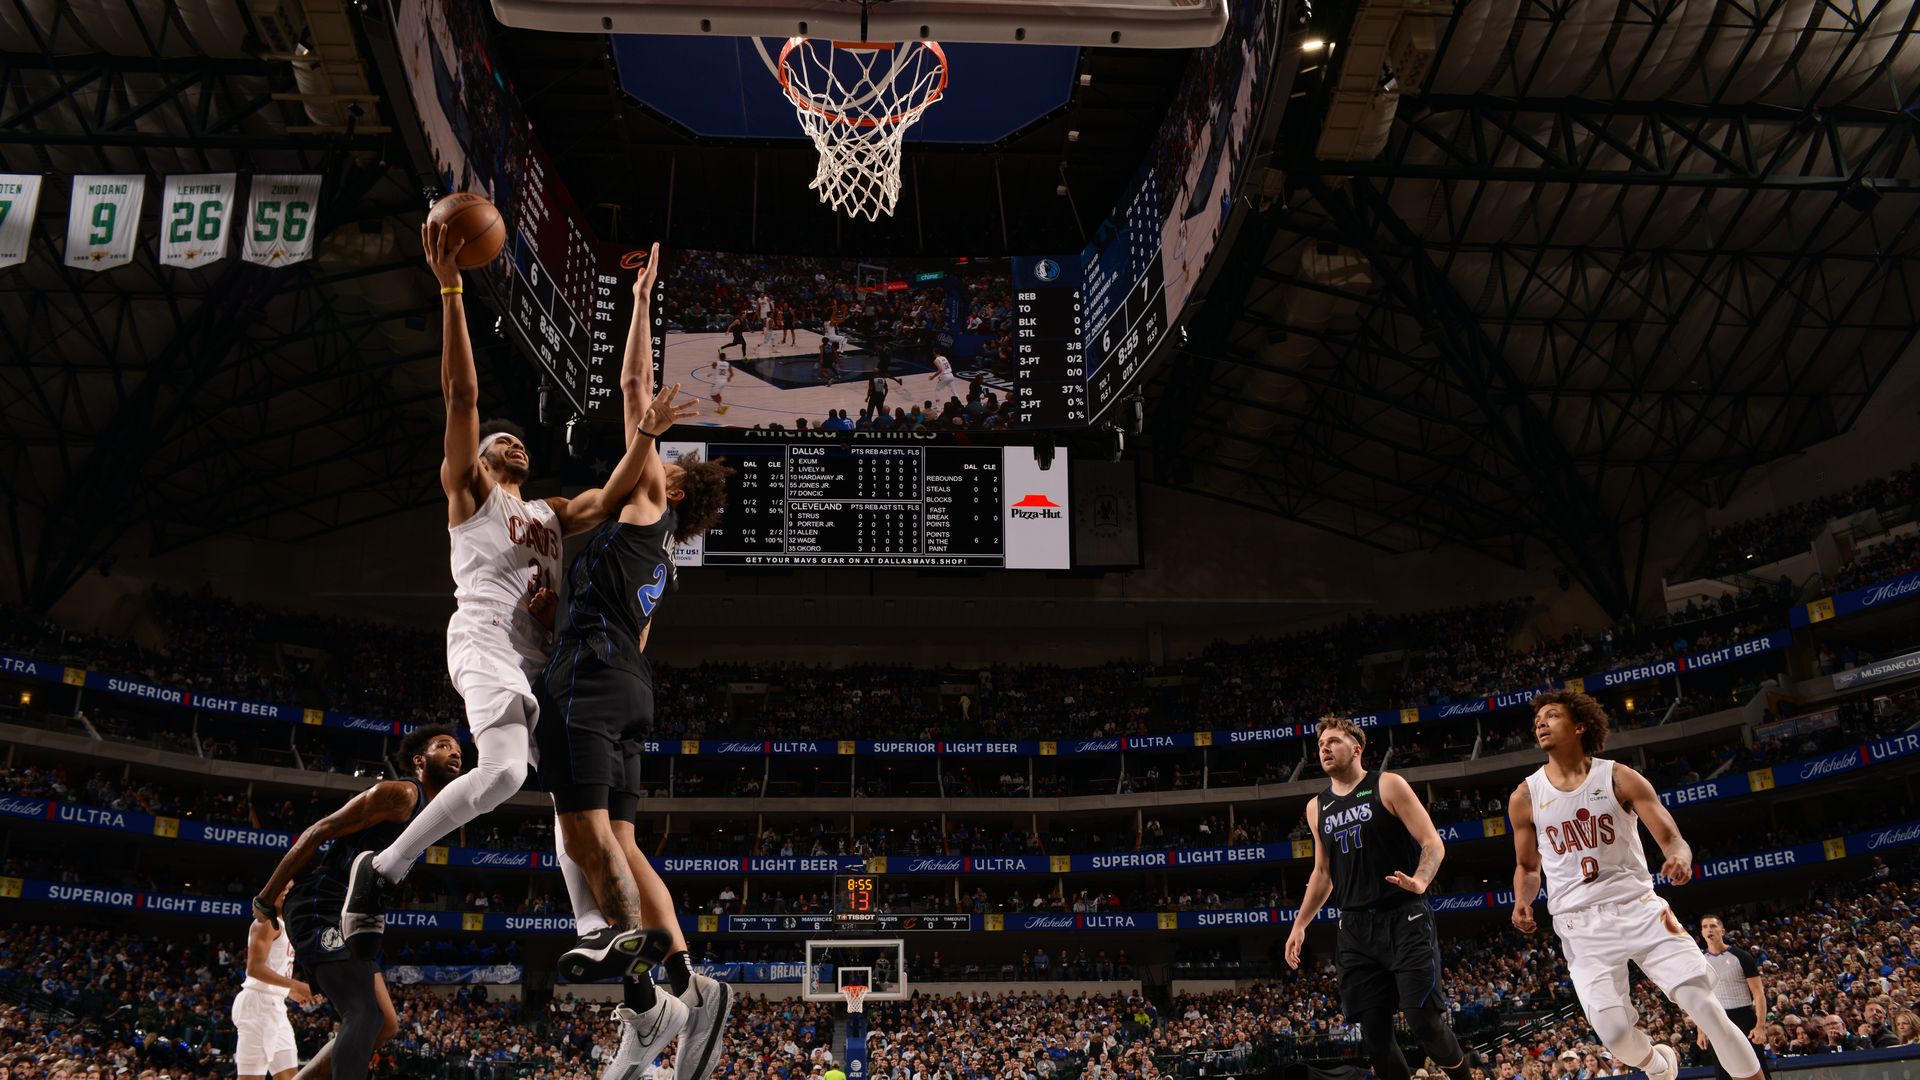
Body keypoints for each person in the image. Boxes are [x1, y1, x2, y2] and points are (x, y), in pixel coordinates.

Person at [338, 222, 659, 962]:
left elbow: (610, 499)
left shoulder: (548, 512)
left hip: (540, 662)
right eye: (496, 441)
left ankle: (591, 927)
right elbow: (460, 396)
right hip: (483, 640)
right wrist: (452, 290)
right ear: (477, 461)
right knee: (509, 769)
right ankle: (383, 868)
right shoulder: (472, 496)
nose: (510, 441)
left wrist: (643, 428)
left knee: (569, 791)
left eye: (516, 440)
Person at [537, 259, 735, 1078]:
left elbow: (629, 391)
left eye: (668, 463)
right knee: (618, 842)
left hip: (590, 679)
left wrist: (643, 301)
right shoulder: (664, 566)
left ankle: (648, 1004)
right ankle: (694, 984)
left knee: (584, 838)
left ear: (675, 490)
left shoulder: (651, 497)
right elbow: (640, 639)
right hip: (630, 686)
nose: (659, 460)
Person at [1510, 690, 1764, 1080]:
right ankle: (1657, 1064)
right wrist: (1523, 900)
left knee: (1706, 1008)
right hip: (1580, 925)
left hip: (1639, 908)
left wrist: (1680, 856)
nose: (1540, 723)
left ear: (1580, 726)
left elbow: (1672, 837)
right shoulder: (1526, 796)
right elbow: (1528, 867)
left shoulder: (1617, 776)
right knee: (1614, 1035)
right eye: (1538, 719)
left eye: (1552, 715)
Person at [254, 725, 462, 1080]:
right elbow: (318, 832)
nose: (456, 753)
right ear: (419, 761)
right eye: (443, 746)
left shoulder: (433, 811)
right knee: (363, 1012)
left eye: (459, 749)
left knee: (384, 1025)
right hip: (322, 902)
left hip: (352, 911)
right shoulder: (400, 794)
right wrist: (265, 899)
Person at [1283, 717, 1475, 1080]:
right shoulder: (1316, 807)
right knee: (1374, 1037)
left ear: (1357, 749)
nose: (1323, 747)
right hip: (1354, 927)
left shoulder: (1387, 785)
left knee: (1424, 1023)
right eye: (1321, 743)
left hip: (1404, 916)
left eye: (1333, 741)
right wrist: (1300, 924)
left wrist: (1420, 879)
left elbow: (1433, 842)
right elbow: (1323, 873)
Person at [234, 881, 315, 1080]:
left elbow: (272, 967)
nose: (285, 893)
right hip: (258, 1006)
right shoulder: (265, 923)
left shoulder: (286, 924)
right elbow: (254, 969)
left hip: (275, 1005)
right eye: (282, 888)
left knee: (289, 1076)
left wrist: (289, 992)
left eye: (290, 889)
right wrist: (295, 984)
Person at [1698, 915, 1765, 1079]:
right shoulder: (1698, 960)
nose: (1709, 930)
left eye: (1713, 926)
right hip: (1715, 1019)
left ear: (1722, 931)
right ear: (1701, 932)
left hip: (1744, 1017)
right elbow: (1700, 997)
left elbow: (1758, 993)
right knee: (1723, 1072)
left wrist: (1760, 1026)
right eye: (1705, 927)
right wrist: (1701, 1029)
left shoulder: (1741, 956)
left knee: (1754, 1068)